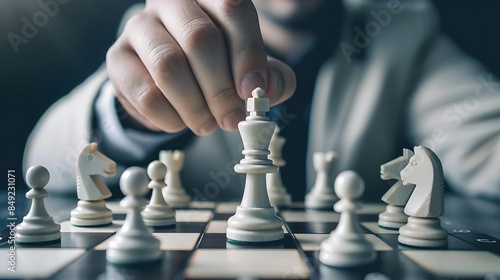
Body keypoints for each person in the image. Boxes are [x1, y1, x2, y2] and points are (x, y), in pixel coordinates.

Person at [23, 0, 500, 202]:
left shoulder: (406, 29)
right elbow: (43, 163)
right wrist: (131, 111)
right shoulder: (164, 27)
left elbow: (488, 144)